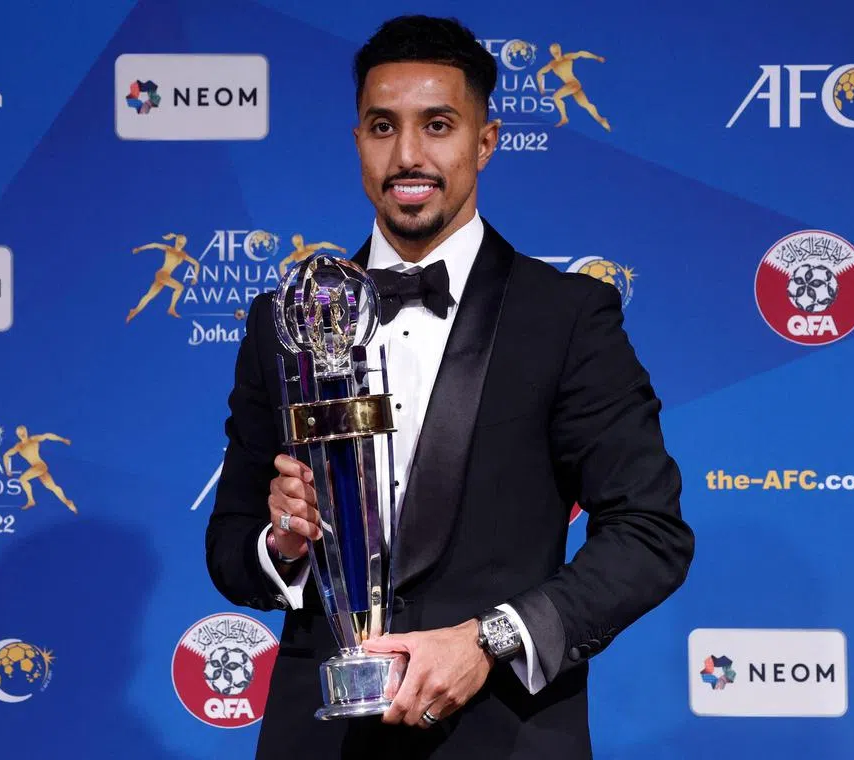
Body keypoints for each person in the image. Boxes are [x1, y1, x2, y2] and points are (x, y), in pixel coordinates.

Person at [205, 15, 693, 759]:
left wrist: (488, 640)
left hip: (501, 735)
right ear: (357, 141)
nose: (408, 155)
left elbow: (649, 533)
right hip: (320, 740)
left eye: (438, 125)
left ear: (485, 142)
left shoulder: (565, 317)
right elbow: (230, 547)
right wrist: (284, 544)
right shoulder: (284, 320)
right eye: (381, 126)